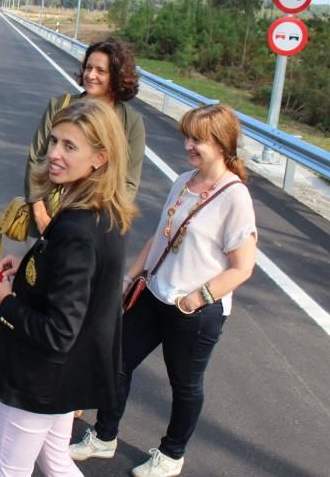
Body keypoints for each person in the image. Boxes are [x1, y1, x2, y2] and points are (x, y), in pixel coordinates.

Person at [70, 103, 257, 477]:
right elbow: (161, 237)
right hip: (154, 294)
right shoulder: (183, 180)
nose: (188, 144)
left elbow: (243, 267)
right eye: (186, 136)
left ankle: (172, 455)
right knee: (117, 364)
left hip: (196, 311)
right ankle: (104, 437)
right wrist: (130, 277)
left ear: (221, 144)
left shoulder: (234, 197)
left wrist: (197, 298)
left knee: (184, 386)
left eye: (198, 139)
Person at [0, 98, 137, 477]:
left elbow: (58, 330)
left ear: (99, 158)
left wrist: (5, 302)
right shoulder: (104, 211)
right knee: (55, 460)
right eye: (54, 141)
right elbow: (83, 283)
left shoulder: (77, 229)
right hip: (70, 375)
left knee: (8, 469)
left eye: (70, 147)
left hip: (42, 378)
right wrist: (27, 267)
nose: (53, 154)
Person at [24, 38, 145, 235]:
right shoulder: (59, 106)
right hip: (50, 215)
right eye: (88, 68)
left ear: (117, 76)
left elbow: (128, 183)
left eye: (101, 71)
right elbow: (37, 159)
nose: (91, 75)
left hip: (94, 224)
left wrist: (101, 221)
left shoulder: (131, 123)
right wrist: (40, 213)